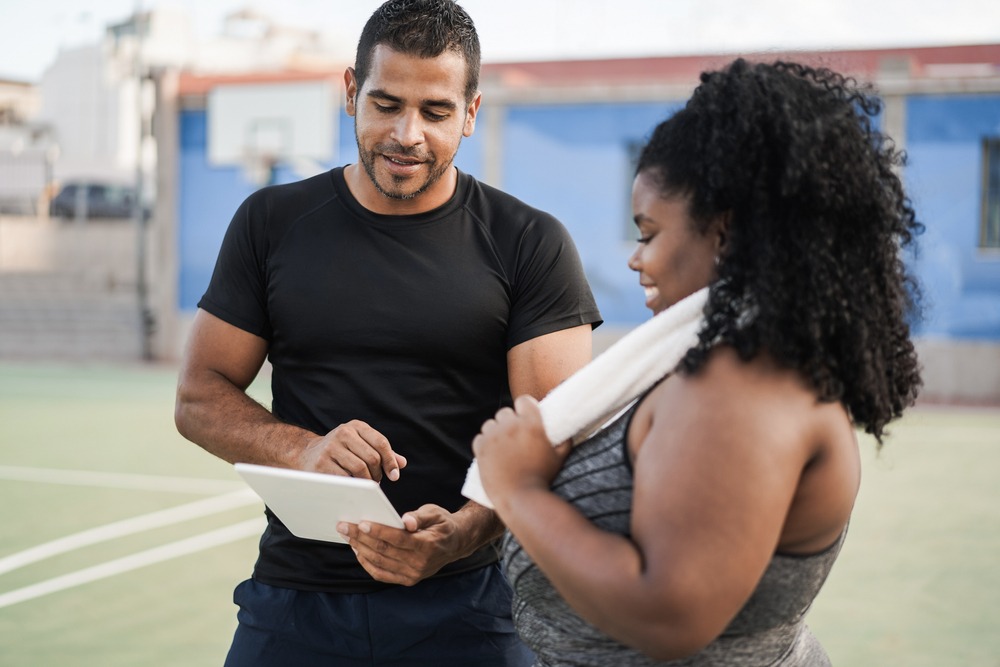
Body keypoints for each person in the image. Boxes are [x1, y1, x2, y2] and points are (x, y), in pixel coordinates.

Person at [173, 0, 602, 664]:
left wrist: (465, 530)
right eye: (386, 103)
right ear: (350, 92)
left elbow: (552, 438)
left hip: (470, 601)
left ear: (472, 112)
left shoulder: (530, 243)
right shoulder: (270, 221)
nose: (407, 133)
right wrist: (304, 450)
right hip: (294, 601)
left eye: (435, 112)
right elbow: (198, 397)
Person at [471, 58, 923, 666]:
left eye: (650, 232)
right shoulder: (719, 367)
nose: (637, 259)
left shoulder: (745, 386)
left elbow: (669, 614)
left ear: (725, 233)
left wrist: (520, 489)